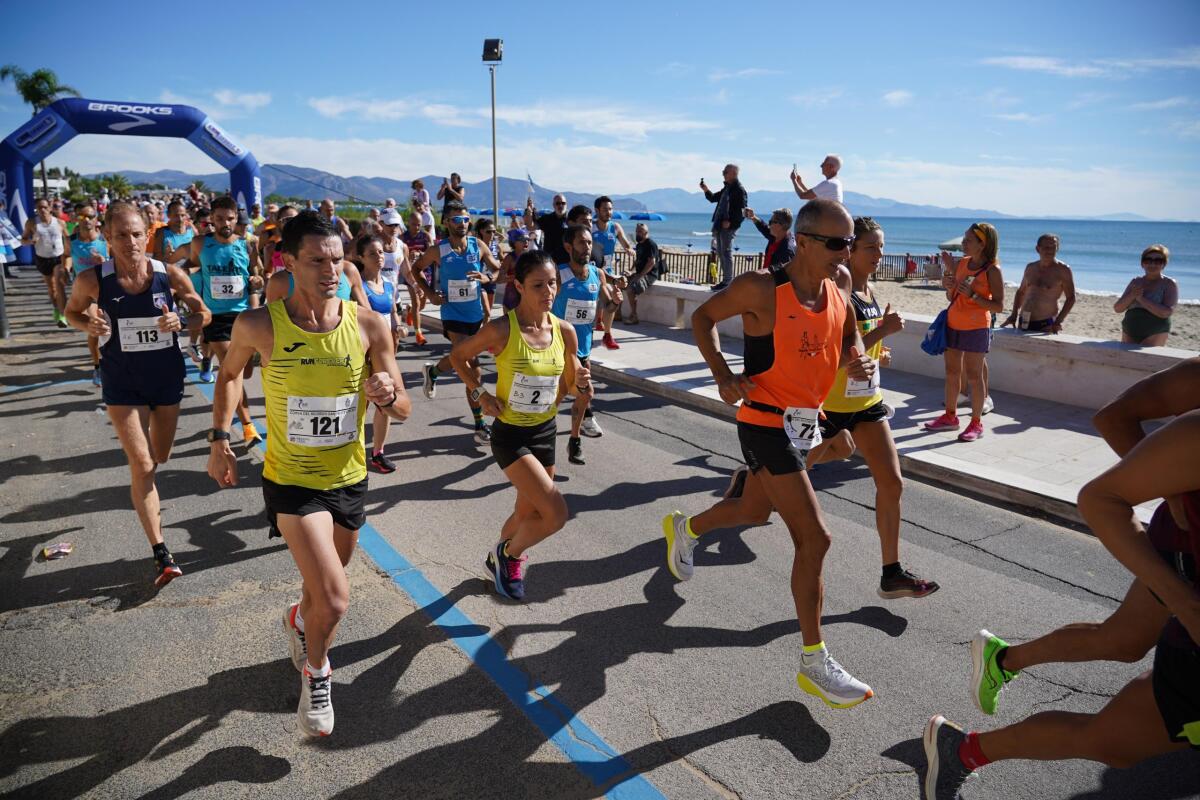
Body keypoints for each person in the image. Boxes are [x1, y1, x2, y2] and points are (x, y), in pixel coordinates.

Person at [922, 358, 1200, 800]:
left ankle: (1002, 662)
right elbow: (1111, 423)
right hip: (1182, 555)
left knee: (1123, 643)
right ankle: (985, 701)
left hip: (1185, 560)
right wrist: (1170, 486)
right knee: (1121, 680)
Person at [661, 199, 878, 709]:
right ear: (803, 241)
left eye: (849, 242)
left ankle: (686, 531)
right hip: (762, 422)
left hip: (806, 424)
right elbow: (702, 317)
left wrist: (858, 359)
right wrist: (721, 373)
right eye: (836, 242)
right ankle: (813, 662)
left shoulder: (839, 287)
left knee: (752, 511)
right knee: (816, 538)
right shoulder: (761, 288)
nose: (845, 252)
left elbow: (848, 337)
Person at [206, 209, 411, 738]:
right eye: (317, 260)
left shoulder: (369, 326)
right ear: (288, 262)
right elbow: (229, 377)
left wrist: (389, 395)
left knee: (321, 595)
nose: (330, 270)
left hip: (348, 476)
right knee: (337, 597)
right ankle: (317, 670)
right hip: (292, 481)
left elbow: (403, 405)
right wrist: (220, 440)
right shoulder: (257, 324)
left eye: (338, 260)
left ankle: (299, 620)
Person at [64, 201, 211, 586]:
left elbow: (203, 313)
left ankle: (147, 488)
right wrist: (89, 326)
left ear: (147, 234)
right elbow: (72, 313)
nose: (130, 242)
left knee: (160, 455)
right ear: (107, 239)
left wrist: (184, 320)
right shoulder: (93, 280)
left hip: (165, 378)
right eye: (120, 236)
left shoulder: (170, 275)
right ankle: (161, 551)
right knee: (143, 464)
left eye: (136, 234)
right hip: (121, 382)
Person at [807, 217, 938, 598]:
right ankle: (747, 484)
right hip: (829, 405)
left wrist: (880, 351)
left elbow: (861, 346)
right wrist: (882, 332)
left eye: (882, 247)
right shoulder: (838, 287)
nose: (879, 255)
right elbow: (835, 344)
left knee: (892, 483)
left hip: (866, 402)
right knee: (777, 484)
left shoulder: (868, 289)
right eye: (872, 248)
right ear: (850, 249)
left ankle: (891, 573)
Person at [448, 249, 590, 600]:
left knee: (525, 511)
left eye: (553, 283)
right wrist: (480, 393)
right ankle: (508, 556)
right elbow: (457, 356)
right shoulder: (501, 330)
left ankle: (496, 557)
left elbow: (572, 385)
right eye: (538, 285)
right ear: (519, 286)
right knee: (555, 514)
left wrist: (584, 384)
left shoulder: (565, 332)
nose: (549, 292)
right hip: (511, 434)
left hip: (545, 431)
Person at [174, 195, 264, 443]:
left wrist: (257, 280)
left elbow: (257, 272)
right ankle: (247, 425)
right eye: (220, 218)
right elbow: (188, 266)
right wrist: (184, 280)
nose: (225, 223)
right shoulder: (200, 244)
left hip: (244, 316)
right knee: (231, 372)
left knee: (244, 372)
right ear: (211, 219)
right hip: (215, 317)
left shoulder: (247, 244)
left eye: (230, 219)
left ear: (237, 219)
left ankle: (234, 414)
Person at [414, 201, 502, 445]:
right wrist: (430, 293)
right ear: (445, 223)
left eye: (465, 219)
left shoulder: (478, 245)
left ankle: (433, 371)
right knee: (472, 368)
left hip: (475, 315)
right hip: (452, 314)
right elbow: (416, 269)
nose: (462, 224)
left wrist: (487, 277)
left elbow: (498, 270)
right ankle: (480, 424)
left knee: (462, 362)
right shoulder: (438, 250)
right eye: (456, 219)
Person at [924, 223, 1003, 442]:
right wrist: (948, 285)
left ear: (982, 244)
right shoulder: (963, 264)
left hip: (977, 327)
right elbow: (952, 298)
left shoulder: (992, 270)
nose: (963, 243)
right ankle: (950, 416)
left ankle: (976, 423)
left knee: (974, 377)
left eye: (968, 240)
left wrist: (973, 295)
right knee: (951, 372)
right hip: (953, 323)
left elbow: (998, 306)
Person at [553, 224, 612, 465]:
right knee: (576, 393)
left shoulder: (598, 275)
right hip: (558, 349)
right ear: (568, 247)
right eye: (581, 243)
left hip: (583, 349)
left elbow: (608, 308)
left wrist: (615, 302)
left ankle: (571, 439)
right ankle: (562, 438)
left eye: (589, 243)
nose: (587, 247)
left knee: (575, 395)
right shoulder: (559, 275)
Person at [357, 235, 405, 473]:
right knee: (361, 404)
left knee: (385, 403)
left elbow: (393, 311)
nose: (379, 257)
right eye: (373, 253)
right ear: (361, 258)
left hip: (387, 352)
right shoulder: (359, 287)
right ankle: (350, 448)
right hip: (365, 355)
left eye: (381, 252)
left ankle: (378, 453)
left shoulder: (388, 282)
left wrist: (398, 326)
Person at [61, 203, 110, 385]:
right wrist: (66, 268)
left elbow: (117, 262)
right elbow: (66, 256)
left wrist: (104, 261)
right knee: (95, 328)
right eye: (82, 217)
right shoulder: (71, 240)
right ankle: (98, 367)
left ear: (96, 218)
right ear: (75, 219)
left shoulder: (105, 240)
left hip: (105, 289)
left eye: (90, 216)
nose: (86, 220)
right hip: (85, 294)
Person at [1001, 234, 1076, 333]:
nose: (1050, 250)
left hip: (1046, 324)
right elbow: (1021, 292)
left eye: (1053, 247)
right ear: (1037, 249)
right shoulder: (1030, 267)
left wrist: (1058, 321)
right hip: (1024, 322)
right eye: (1046, 247)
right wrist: (1014, 315)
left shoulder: (1063, 270)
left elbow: (1071, 298)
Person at [592, 196, 636, 348]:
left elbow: (625, 243)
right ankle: (596, 322)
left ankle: (607, 335)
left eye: (610, 209)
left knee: (612, 296)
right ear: (597, 211)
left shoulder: (615, 227)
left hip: (608, 272)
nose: (608, 212)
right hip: (593, 270)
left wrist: (629, 250)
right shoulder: (590, 228)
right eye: (605, 209)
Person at [1114, 244, 1178, 347]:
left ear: (1164, 264)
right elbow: (1118, 308)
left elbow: (1166, 312)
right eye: (1148, 260)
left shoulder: (1169, 283)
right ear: (1142, 263)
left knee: (1146, 362)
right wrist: (1132, 295)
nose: (1152, 264)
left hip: (1155, 331)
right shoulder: (1135, 282)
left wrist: (1141, 299)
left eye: (1158, 261)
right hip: (1129, 330)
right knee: (1127, 361)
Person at [20, 197, 69, 327]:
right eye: (39, 207)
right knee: (52, 288)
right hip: (42, 258)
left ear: (50, 208)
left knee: (59, 285)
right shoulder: (31, 223)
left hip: (58, 257)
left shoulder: (59, 222)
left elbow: (68, 239)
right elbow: (23, 240)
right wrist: (31, 241)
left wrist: (70, 256)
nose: (42, 210)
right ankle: (57, 310)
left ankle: (63, 315)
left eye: (45, 207)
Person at [701, 164, 748, 291]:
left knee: (726, 253)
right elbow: (712, 198)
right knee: (721, 253)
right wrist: (705, 189)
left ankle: (727, 282)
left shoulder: (739, 190)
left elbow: (743, 211)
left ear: (733, 173)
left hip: (728, 228)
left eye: (725, 172)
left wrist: (731, 223)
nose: (723, 174)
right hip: (719, 225)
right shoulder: (727, 188)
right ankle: (726, 281)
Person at [400, 211, 432, 346]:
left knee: (422, 304)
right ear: (408, 223)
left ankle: (409, 310)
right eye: (414, 224)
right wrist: (408, 258)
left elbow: (432, 253)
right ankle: (419, 333)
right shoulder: (402, 237)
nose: (416, 227)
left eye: (419, 225)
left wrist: (420, 254)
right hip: (410, 274)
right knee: (418, 303)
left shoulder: (425, 236)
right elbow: (399, 256)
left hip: (425, 273)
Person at [623, 223, 663, 324]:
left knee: (631, 289)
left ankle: (634, 316)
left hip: (650, 275)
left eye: (640, 232)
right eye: (637, 231)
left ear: (646, 233)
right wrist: (631, 271)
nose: (637, 233)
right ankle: (618, 313)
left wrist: (640, 276)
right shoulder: (639, 245)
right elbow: (637, 260)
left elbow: (651, 262)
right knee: (621, 282)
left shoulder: (651, 244)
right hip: (640, 273)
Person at [744, 207, 795, 273]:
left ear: (780, 225)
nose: (769, 225)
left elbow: (784, 279)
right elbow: (764, 228)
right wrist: (753, 217)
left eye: (770, 222)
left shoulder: (786, 251)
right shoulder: (777, 236)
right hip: (768, 280)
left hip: (773, 282)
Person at [150, 201, 195, 267]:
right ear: (168, 215)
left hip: (189, 274)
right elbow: (155, 259)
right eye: (176, 215)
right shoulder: (161, 232)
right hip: (170, 274)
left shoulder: (191, 231)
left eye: (182, 215)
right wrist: (166, 256)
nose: (180, 219)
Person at [474, 218, 501, 319]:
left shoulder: (495, 245)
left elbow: (500, 259)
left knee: (488, 313)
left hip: (491, 279)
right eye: (488, 231)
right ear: (481, 231)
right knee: (487, 312)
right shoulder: (476, 245)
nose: (492, 234)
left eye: (494, 231)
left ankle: (484, 332)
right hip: (480, 280)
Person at [500, 227, 530, 312]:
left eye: (527, 239)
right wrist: (515, 278)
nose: (526, 241)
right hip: (511, 297)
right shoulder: (510, 258)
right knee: (509, 323)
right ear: (514, 242)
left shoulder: (530, 257)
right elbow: (500, 278)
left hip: (525, 295)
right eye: (522, 239)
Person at [537, 194, 570, 264]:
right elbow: (531, 226)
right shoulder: (547, 219)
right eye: (558, 203)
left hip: (567, 260)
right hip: (549, 259)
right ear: (553, 205)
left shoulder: (571, 220)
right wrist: (529, 211)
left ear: (566, 204)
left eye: (563, 203)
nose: (560, 205)